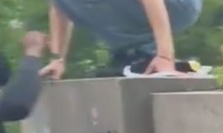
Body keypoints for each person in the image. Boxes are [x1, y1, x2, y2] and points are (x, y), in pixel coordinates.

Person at [40, 0, 202, 79]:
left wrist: (165, 56)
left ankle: (151, 52)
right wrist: (57, 59)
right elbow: (58, 8)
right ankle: (135, 53)